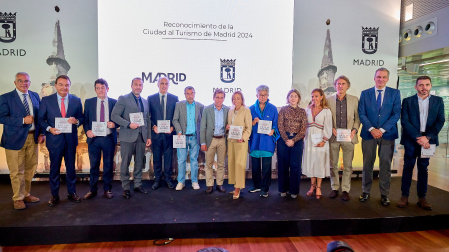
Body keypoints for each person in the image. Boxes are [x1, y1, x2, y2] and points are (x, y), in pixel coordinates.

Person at [398, 76, 445, 210]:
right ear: (416, 87)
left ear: (431, 86)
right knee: (408, 167)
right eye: (421, 85)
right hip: (412, 140)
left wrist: (427, 137)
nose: (424, 87)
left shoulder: (438, 101)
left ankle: (422, 198)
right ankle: (404, 196)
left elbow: (440, 121)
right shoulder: (407, 101)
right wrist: (419, 137)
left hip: (428, 141)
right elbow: (405, 121)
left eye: (427, 85)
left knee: (423, 168)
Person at [0, 72, 45, 210]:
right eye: (20, 81)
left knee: (31, 168)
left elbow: (40, 116)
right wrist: (22, 120)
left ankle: (26, 194)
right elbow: (1, 117)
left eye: (26, 81)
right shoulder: (6, 98)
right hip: (14, 139)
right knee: (16, 170)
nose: (23, 83)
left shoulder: (35, 95)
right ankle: (18, 198)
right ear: (15, 83)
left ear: (30, 83)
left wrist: (42, 132)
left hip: (33, 137)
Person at [38, 75, 84, 206]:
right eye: (61, 84)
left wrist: (77, 121)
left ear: (69, 86)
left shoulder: (76, 100)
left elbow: (81, 118)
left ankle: (72, 193)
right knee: (54, 169)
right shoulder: (46, 100)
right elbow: (40, 119)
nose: (64, 87)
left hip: (70, 140)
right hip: (54, 140)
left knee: (71, 169)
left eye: (67, 85)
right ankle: (54, 195)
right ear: (56, 85)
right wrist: (48, 129)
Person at [358, 67, 401, 206]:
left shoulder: (395, 93)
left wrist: (381, 130)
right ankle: (366, 191)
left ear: (388, 79)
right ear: (374, 78)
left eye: (383, 77)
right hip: (368, 134)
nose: (381, 79)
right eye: (378, 77)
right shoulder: (365, 94)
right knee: (367, 164)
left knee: (385, 165)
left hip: (387, 135)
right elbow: (362, 113)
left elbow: (396, 114)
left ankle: (384, 194)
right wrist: (371, 129)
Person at [111, 77, 152, 199]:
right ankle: (126, 187)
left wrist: (148, 136)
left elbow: (147, 120)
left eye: (140, 85)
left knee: (139, 162)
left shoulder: (145, 101)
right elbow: (114, 116)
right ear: (131, 86)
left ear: (142, 87)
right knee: (125, 163)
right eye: (136, 84)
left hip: (141, 137)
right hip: (127, 136)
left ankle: (138, 184)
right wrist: (128, 124)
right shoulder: (123, 99)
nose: (138, 87)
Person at [326, 76, 360, 201]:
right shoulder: (328, 100)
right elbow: (326, 118)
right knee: (333, 165)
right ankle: (334, 188)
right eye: (338, 84)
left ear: (348, 86)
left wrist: (354, 130)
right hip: (333, 137)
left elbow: (358, 118)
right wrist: (330, 128)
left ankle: (345, 189)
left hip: (348, 137)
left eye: (343, 84)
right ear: (335, 86)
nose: (340, 86)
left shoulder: (354, 100)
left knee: (348, 166)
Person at [83, 78, 117, 200]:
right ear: (95, 90)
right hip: (94, 139)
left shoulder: (114, 102)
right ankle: (92, 190)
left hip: (108, 138)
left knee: (108, 165)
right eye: (98, 88)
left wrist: (114, 125)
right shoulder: (89, 102)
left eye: (103, 88)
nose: (100, 90)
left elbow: (119, 119)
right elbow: (85, 120)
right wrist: (87, 131)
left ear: (107, 89)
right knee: (94, 166)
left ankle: (107, 189)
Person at [147, 77, 179, 190]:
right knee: (156, 158)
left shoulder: (174, 98)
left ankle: (168, 180)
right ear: (158, 84)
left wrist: (173, 127)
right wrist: (153, 126)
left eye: (166, 84)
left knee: (169, 158)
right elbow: (147, 116)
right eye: (162, 83)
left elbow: (176, 116)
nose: (164, 85)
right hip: (156, 134)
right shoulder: (151, 98)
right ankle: (157, 180)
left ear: (169, 85)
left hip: (169, 134)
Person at [248, 85, 279, 198]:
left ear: (268, 96)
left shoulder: (273, 108)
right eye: (261, 95)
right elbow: (246, 126)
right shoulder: (250, 109)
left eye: (265, 95)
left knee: (266, 167)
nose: (263, 97)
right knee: (255, 166)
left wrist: (273, 130)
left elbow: (276, 124)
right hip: (255, 141)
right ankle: (256, 185)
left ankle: (265, 188)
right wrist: (252, 122)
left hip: (267, 141)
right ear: (256, 95)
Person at [302, 88, 332, 199]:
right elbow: (304, 125)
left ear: (321, 97)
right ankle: (312, 186)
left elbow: (328, 126)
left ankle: (318, 187)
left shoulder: (326, 111)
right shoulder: (307, 109)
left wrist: (324, 140)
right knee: (311, 162)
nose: (314, 98)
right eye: (312, 96)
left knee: (319, 162)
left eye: (316, 96)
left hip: (321, 139)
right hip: (309, 139)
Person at [277, 89, 307, 199]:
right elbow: (280, 125)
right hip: (283, 140)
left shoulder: (303, 111)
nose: (293, 98)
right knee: (283, 165)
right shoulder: (283, 110)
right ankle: (283, 189)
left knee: (295, 166)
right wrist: (286, 139)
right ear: (288, 98)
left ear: (298, 98)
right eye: (291, 96)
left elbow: (303, 128)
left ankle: (294, 190)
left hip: (297, 141)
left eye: (295, 96)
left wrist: (293, 140)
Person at [172, 86, 204, 190]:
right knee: (181, 160)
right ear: (184, 94)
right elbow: (175, 120)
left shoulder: (200, 106)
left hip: (194, 137)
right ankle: (181, 182)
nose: (190, 95)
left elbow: (202, 123)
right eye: (188, 93)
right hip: (182, 137)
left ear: (195, 93)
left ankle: (194, 181)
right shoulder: (179, 105)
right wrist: (179, 131)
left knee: (194, 160)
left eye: (192, 93)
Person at [200, 89, 229, 194]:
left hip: (222, 139)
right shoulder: (207, 110)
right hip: (210, 139)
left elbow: (229, 125)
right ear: (213, 98)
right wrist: (203, 142)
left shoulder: (227, 110)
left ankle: (219, 184)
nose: (219, 100)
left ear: (224, 99)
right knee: (208, 164)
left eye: (221, 97)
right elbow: (202, 127)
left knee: (221, 164)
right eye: (217, 97)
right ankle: (209, 185)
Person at [226, 91, 252, 199]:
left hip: (241, 142)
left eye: (238, 98)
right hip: (231, 141)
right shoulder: (230, 111)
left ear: (242, 100)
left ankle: (238, 188)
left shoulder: (246, 111)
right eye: (234, 98)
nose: (236, 100)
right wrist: (228, 128)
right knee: (232, 164)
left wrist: (243, 137)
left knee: (239, 164)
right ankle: (236, 185)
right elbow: (230, 126)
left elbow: (248, 128)